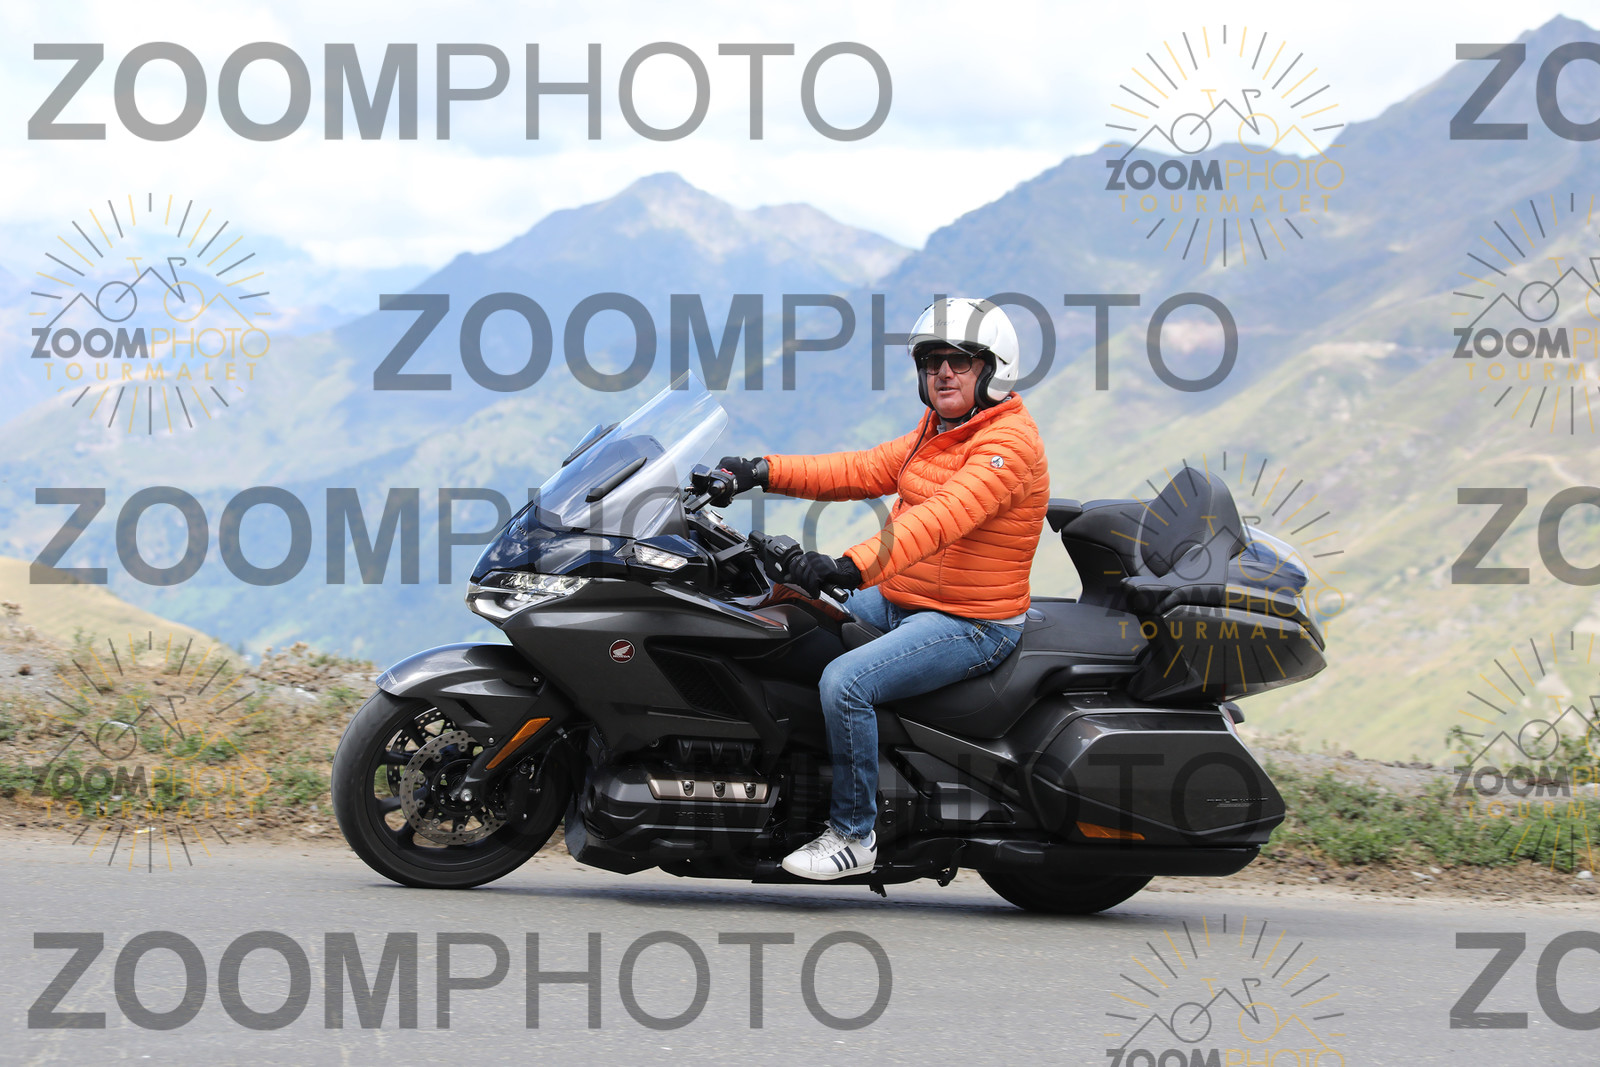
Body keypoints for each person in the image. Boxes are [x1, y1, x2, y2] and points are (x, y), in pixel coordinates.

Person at [715, 297, 1049, 881]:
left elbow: (942, 518)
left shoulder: (1007, 446)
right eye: (932, 361)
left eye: (960, 361)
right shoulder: (939, 432)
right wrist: (760, 470)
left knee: (846, 683)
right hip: (905, 596)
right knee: (783, 612)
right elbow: (860, 468)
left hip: (969, 621)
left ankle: (854, 834)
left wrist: (850, 567)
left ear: (993, 370)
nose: (943, 372)